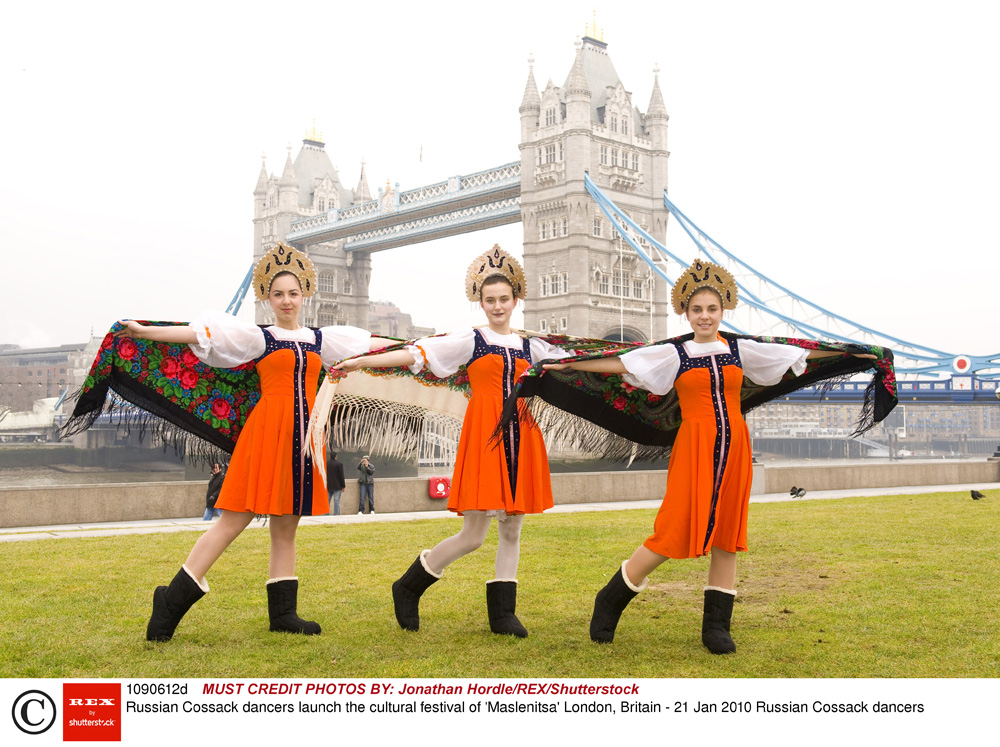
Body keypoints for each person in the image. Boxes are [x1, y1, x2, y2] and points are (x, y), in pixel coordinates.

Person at [541, 259, 880, 654]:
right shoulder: (674, 354)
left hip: (735, 446)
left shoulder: (740, 349)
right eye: (697, 309)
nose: (705, 316)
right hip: (695, 447)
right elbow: (621, 364)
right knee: (675, 528)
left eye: (712, 309)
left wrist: (854, 355)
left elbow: (795, 355)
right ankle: (612, 597)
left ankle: (716, 626)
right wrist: (565, 363)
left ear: (724, 310)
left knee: (727, 532)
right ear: (685, 311)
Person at [111, 243, 390, 641]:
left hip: (304, 437)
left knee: (286, 525)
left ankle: (284, 615)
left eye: (293, 293)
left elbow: (375, 347)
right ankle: (170, 600)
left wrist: (424, 349)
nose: (287, 301)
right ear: (267, 298)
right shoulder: (258, 338)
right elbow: (198, 335)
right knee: (233, 520)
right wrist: (143, 331)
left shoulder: (322, 339)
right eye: (278, 294)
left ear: (305, 294)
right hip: (267, 433)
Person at [335, 245, 572, 637]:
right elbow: (414, 353)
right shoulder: (470, 341)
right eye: (490, 300)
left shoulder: (535, 347)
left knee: (512, 528)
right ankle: (409, 586)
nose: (497, 306)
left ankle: (503, 615)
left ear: (516, 300)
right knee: (474, 535)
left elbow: (579, 361)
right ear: (481, 302)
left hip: (523, 435)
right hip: (486, 437)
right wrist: (360, 361)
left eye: (504, 299)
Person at [325, 450, 345, 516]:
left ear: (329, 456)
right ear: (336, 457)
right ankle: (336, 515)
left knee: (327, 501)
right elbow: (341, 476)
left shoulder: (326, 464)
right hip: (337, 485)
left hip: (328, 485)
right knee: (336, 501)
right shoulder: (339, 464)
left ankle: (326, 515)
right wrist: (343, 486)